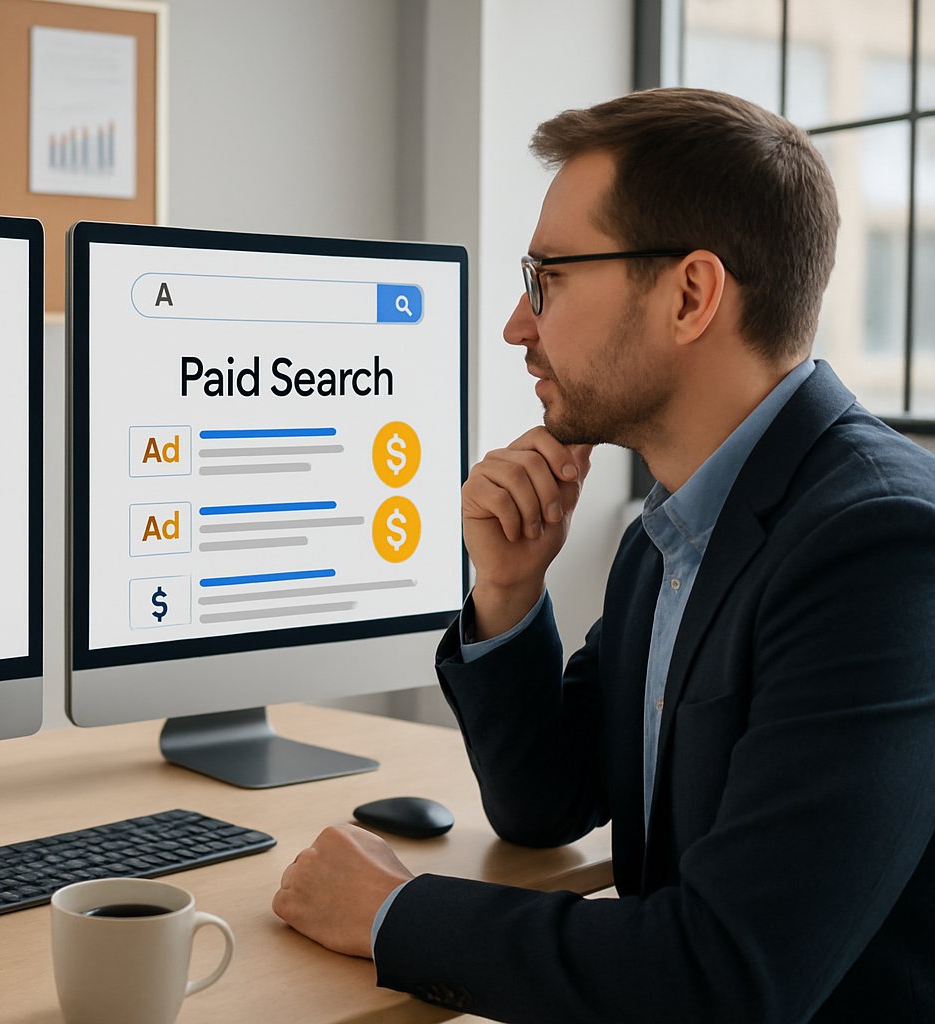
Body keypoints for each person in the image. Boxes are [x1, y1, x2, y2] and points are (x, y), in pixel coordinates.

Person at [271, 87, 935, 1022]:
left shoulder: (877, 549)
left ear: (691, 295)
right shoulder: (676, 525)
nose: (516, 324)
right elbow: (548, 803)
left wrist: (393, 914)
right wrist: (507, 589)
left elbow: (727, 979)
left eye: (549, 277)